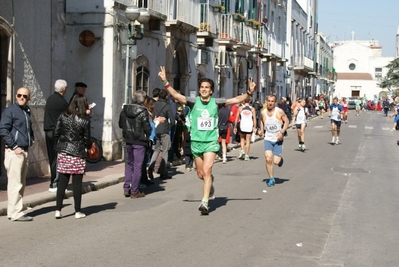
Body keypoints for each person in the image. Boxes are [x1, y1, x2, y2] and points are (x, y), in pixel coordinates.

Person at [158, 66, 256, 215]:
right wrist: (165, 81)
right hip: (196, 143)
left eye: (207, 87)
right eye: (202, 87)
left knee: (207, 170)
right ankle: (210, 184)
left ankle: (204, 202)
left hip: (210, 142)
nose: (204, 89)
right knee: (201, 174)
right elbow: (176, 96)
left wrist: (249, 92)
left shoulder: (216, 102)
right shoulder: (193, 101)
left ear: (211, 90)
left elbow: (235, 99)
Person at [54, 94, 92, 219]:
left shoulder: (63, 116)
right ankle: (77, 211)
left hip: (64, 151)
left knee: (62, 182)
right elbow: (87, 140)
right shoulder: (84, 120)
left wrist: (63, 140)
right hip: (77, 153)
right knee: (77, 183)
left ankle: (58, 210)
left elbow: (56, 132)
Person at [0, 87, 35, 222]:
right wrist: (14, 146)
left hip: (24, 151)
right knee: (15, 184)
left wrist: (31, 138)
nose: (21, 98)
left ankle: (15, 211)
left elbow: (28, 128)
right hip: (14, 152)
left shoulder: (26, 111)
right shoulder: (10, 111)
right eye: (19, 95)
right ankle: (15, 213)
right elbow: (3, 129)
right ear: (15, 96)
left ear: (29, 98)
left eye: (25, 96)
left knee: (21, 183)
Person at [119, 90, 152, 199]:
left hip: (128, 139)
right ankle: (134, 190)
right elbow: (147, 127)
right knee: (138, 166)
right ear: (143, 99)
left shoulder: (125, 109)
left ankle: (126, 188)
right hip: (139, 141)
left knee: (129, 164)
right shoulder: (143, 111)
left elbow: (120, 124)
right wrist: (149, 133)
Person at [258, 94, 289, 187]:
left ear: (275, 102)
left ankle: (280, 160)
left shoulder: (279, 111)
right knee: (268, 158)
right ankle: (271, 178)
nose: (270, 103)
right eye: (269, 101)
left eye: (272, 101)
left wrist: (282, 132)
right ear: (266, 102)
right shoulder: (263, 112)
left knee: (275, 162)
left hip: (277, 139)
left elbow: (287, 121)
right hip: (268, 138)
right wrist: (261, 130)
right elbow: (262, 121)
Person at [44, 79, 69, 192]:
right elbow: (68, 116)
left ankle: (54, 182)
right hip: (56, 132)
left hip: (48, 131)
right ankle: (55, 183)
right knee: (58, 158)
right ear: (63, 89)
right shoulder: (62, 102)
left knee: (52, 157)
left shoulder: (50, 99)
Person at [148, 89, 175, 180]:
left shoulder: (155, 104)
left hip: (156, 129)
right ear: (166, 96)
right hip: (164, 130)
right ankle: (163, 172)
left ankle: (150, 168)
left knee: (157, 149)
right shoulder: (167, 106)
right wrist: (169, 127)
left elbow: (152, 117)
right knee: (165, 150)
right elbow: (172, 119)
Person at [234, 96, 256, 161]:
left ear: (243, 101)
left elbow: (236, 118)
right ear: (250, 101)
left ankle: (242, 150)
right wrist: (254, 127)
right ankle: (246, 155)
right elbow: (254, 119)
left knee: (242, 139)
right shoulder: (252, 109)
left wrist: (235, 126)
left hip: (242, 126)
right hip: (249, 126)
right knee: (248, 141)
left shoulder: (240, 108)